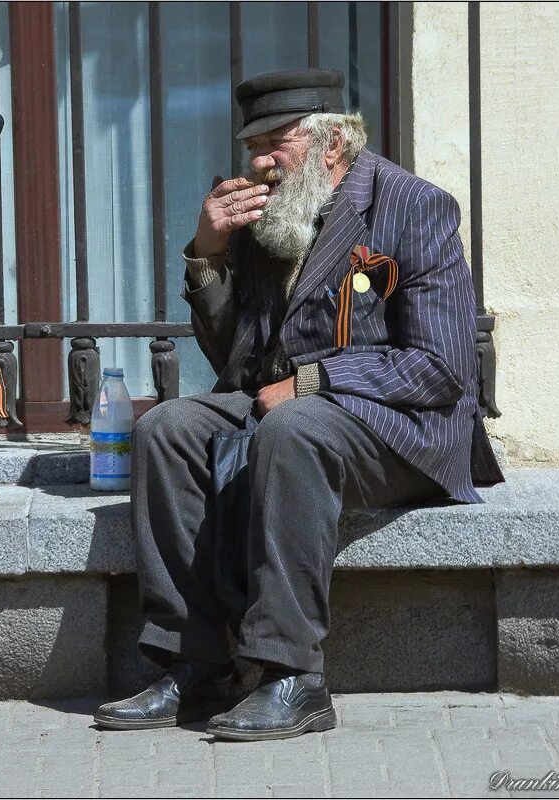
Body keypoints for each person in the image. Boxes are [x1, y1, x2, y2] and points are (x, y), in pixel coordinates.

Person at [94, 68, 503, 742]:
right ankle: (195, 665)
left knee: (293, 430)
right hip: (284, 407)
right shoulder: (272, 211)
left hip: (399, 426)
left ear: (333, 141)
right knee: (166, 429)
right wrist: (207, 258)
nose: (257, 162)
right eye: (250, 145)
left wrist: (314, 382)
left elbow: (441, 367)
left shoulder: (415, 206)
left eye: (273, 143)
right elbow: (236, 359)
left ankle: (294, 677)